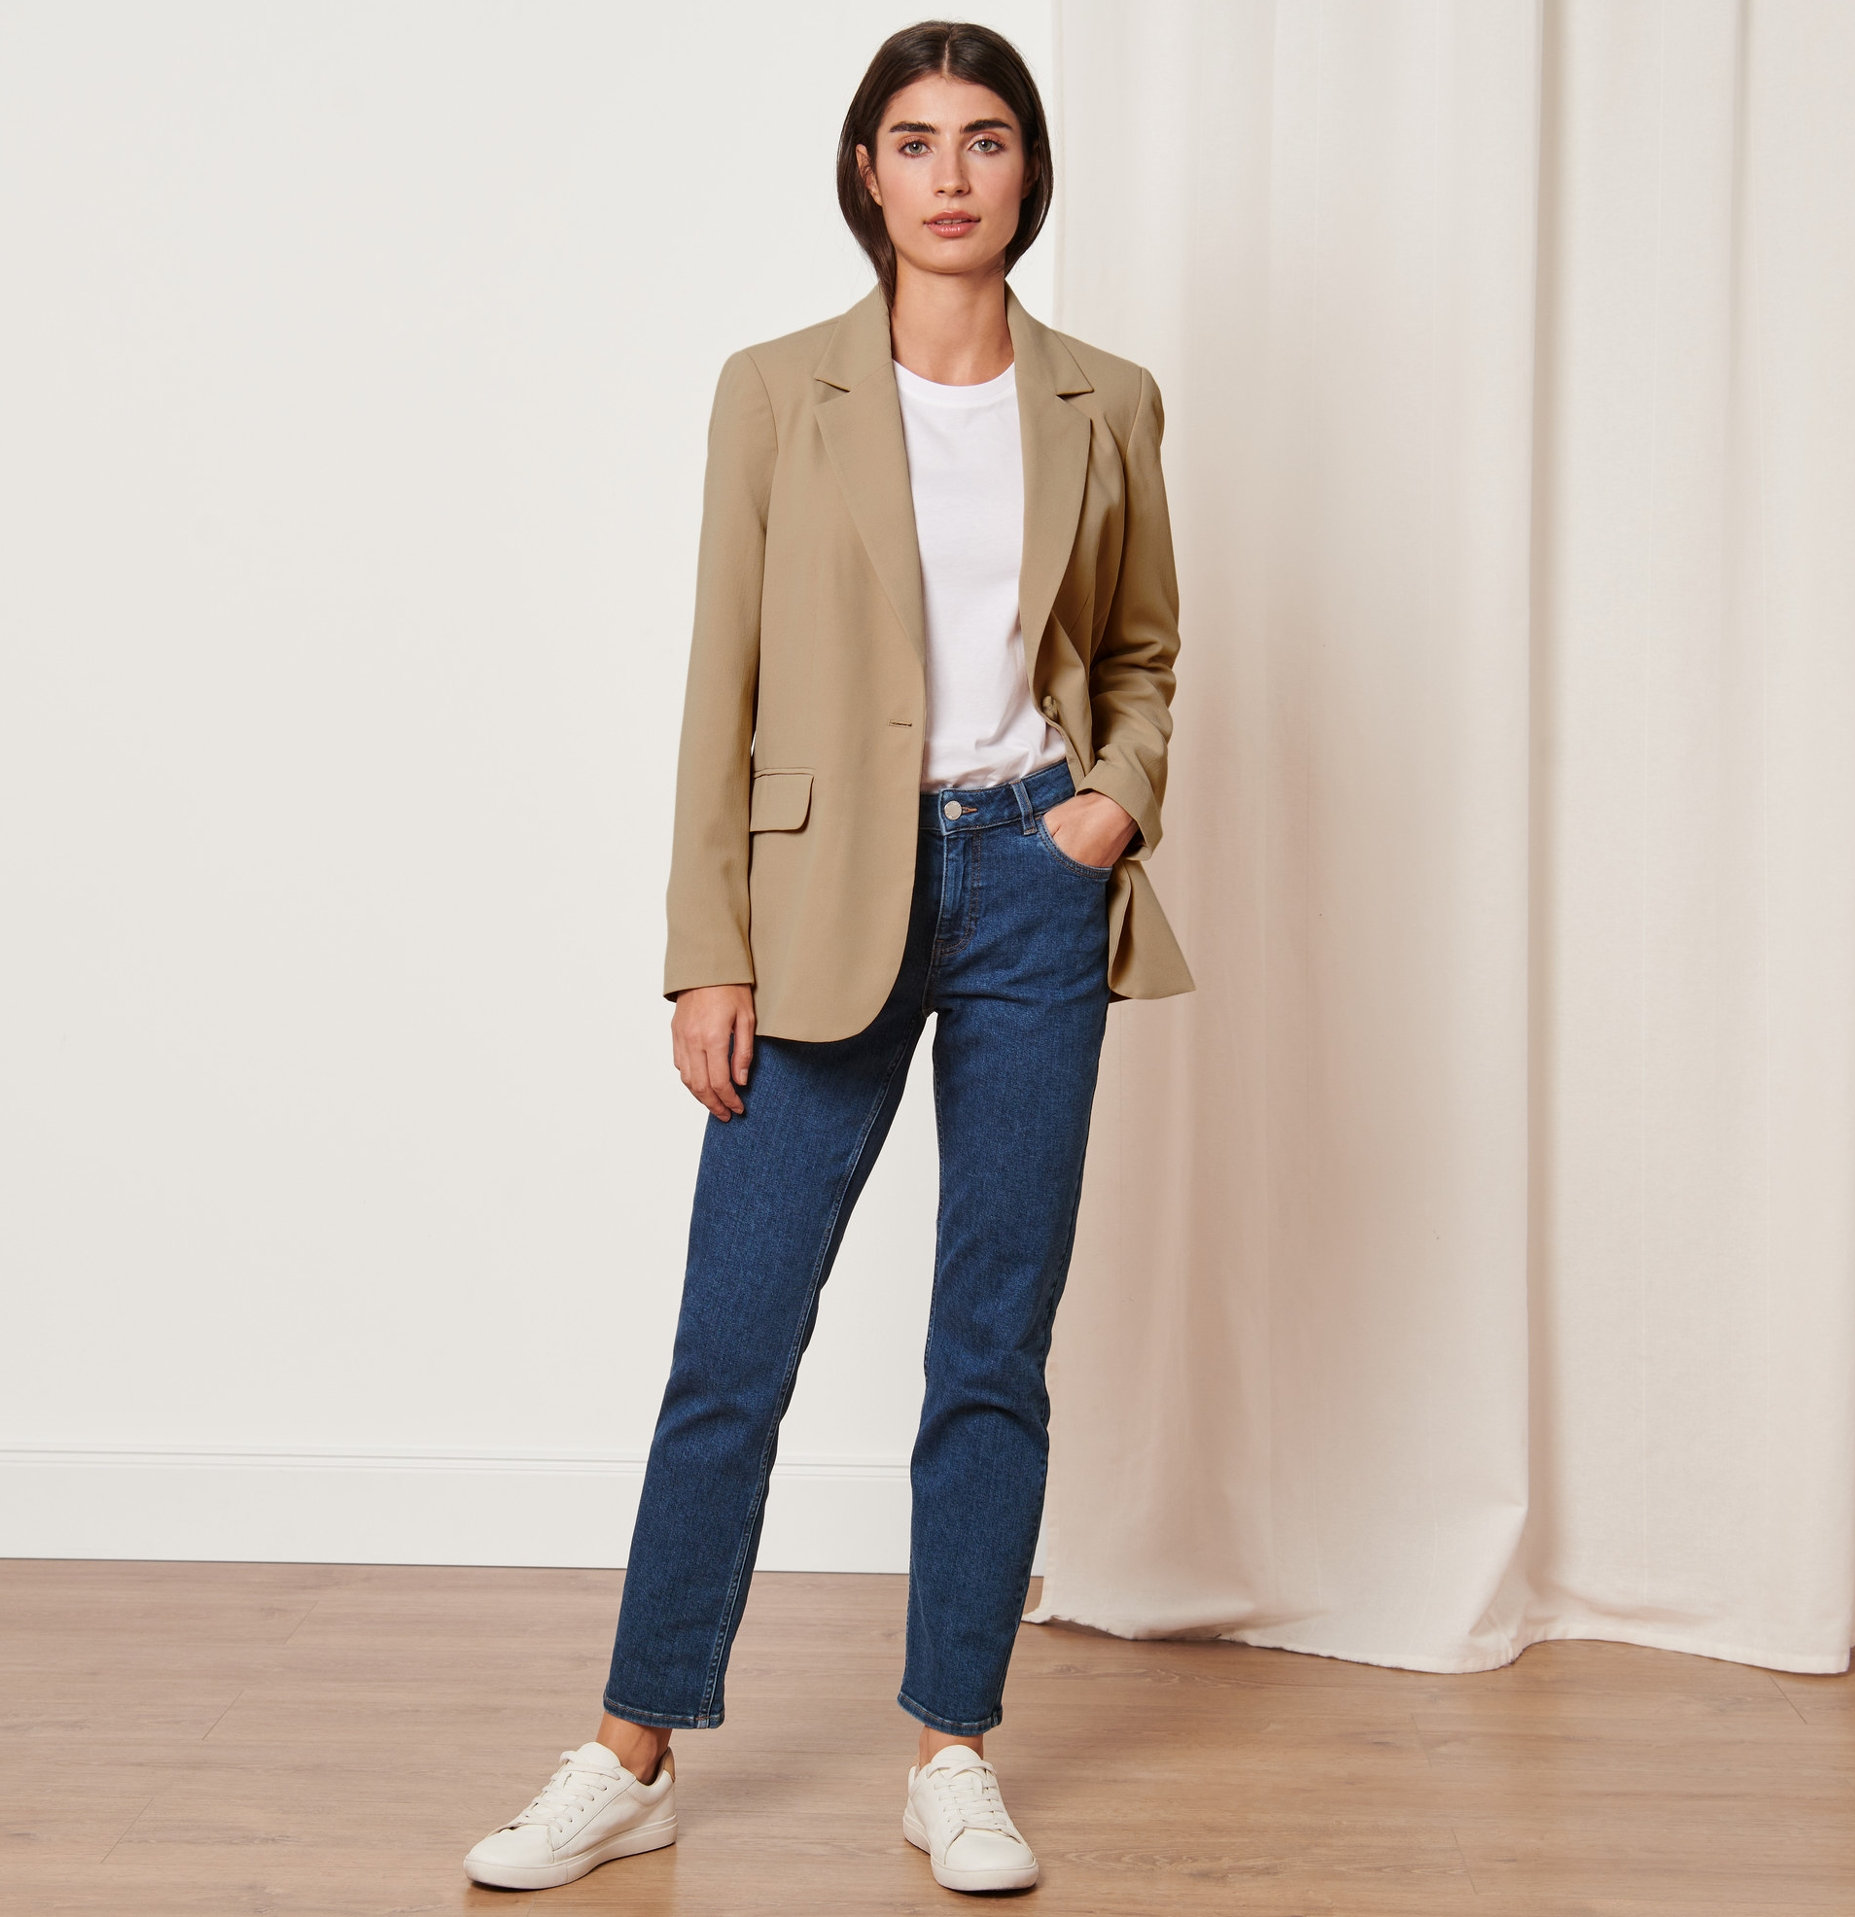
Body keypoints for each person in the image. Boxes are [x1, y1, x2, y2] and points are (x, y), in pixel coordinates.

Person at [463, 18, 1192, 1896]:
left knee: (991, 1344)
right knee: (735, 1337)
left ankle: (953, 1745)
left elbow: (1139, 653)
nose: (951, 173)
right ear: (864, 174)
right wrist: (707, 948)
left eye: (987, 139)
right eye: (912, 139)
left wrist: (1106, 801)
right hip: (814, 914)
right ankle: (630, 1748)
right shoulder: (772, 390)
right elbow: (727, 679)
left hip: (1031, 885)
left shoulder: (1106, 401)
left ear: (1028, 174)